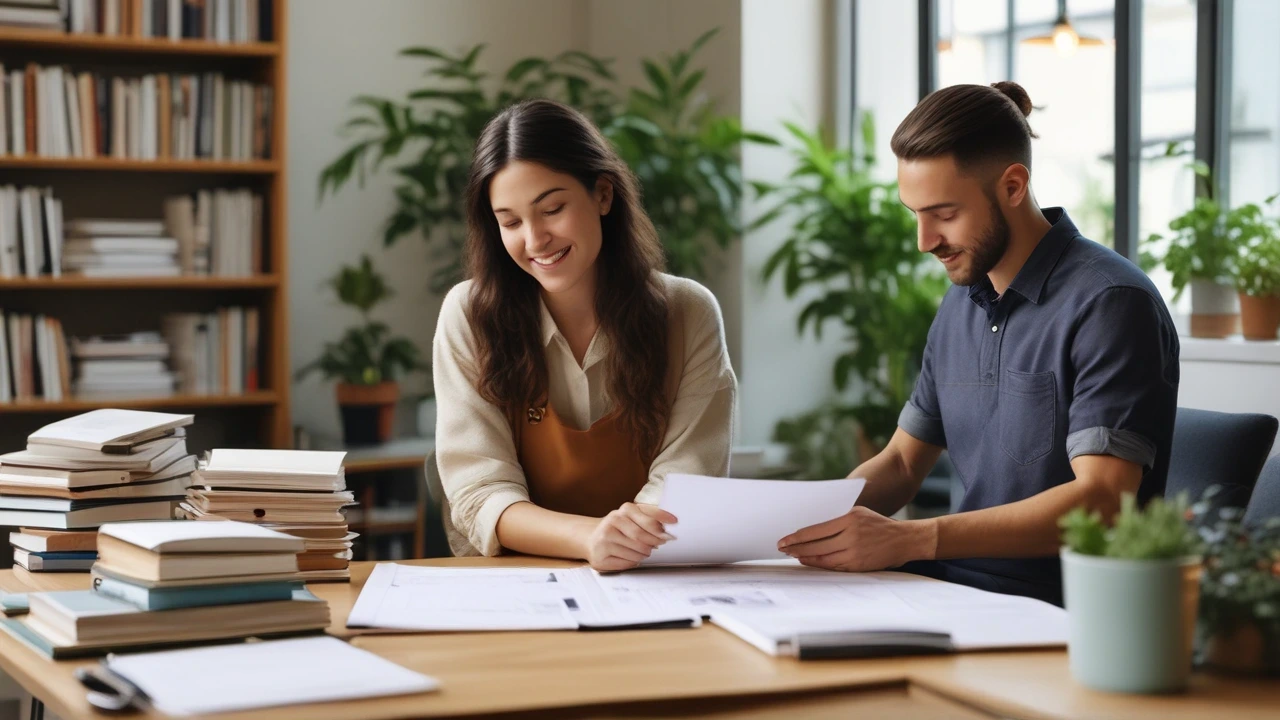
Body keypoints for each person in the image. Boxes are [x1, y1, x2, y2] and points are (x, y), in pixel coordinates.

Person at [778, 82, 1180, 606]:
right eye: (914, 214)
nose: (924, 241)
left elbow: (1102, 500)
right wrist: (794, 524)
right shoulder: (960, 304)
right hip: (955, 593)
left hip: (1064, 612)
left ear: (1013, 186)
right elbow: (901, 463)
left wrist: (916, 537)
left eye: (944, 214)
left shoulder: (1111, 303)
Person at [432, 98, 737, 572]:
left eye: (552, 209)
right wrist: (590, 537)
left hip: (656, 574)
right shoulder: (469, 316)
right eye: (510, 221)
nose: (534, 240)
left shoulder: (687, 313)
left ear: (603, 195)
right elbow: (479, 492)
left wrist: (620, 543)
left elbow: (688, 481)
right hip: (514, 585)